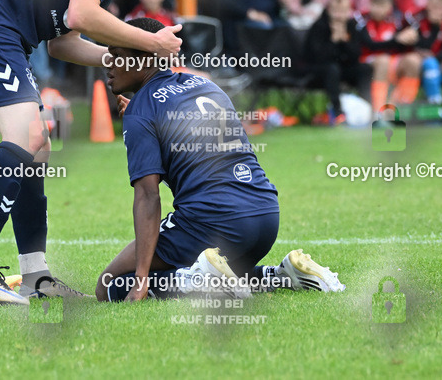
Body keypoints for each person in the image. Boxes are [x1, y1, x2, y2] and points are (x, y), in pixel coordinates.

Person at [0, 0, 194, 305]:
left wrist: (124, 64)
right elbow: (83, 15)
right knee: (27, 135)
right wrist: (151, 44)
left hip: (1, 28)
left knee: (39, 145)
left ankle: (35, 276)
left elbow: (64, 42)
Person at [96, 17, 344, 302]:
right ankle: (282, 275)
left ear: (144, 60)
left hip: (214, 222)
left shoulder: (142, 110)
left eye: (116, 57)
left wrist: (141, 280)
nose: (108, 65)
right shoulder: (205, 86)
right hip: (265, 215)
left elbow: (148, 196)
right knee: (220, 267)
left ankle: (199, 278)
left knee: (110, 285)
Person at [302, 0, 370, 125]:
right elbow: (315, 57)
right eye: (336, 11)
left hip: (344, 69)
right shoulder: (319, 26)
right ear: (329, 10)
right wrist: (333, 41)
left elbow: (356, 55)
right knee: (332, 69)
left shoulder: (352, 26)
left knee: (364, 69)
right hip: (321, 72)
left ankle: (365, 107)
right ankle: (338, 112)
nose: (339, 16)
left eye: (343, 11)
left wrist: (345, 41)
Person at [356, 0, 422, 112]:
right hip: (369, 61)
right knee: (383, 60)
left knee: (413, 61)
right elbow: (370, 45)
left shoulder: (397, 21)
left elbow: (405, 43)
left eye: (383, 5)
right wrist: (396, 40)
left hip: (391, 61)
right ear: (370, 4)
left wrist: (411, 38)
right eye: (375, 4)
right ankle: (378, 111)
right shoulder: (362, 21)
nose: (379, 9)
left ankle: (396, 107)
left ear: (389, 6)